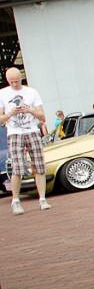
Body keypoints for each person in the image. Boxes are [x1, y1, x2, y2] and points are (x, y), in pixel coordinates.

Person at [0, 67, 51, 214]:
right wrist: (10, 113)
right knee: (17, 168)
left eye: (17, 81)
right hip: (14, 133)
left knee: (39, 166)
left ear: (21, 78)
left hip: (32, 131)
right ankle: (15, 201)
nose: (15, 84)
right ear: (7, 80)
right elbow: (1, 119)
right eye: (11, 82)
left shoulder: (32, 92)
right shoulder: (2, 93)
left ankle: (42, 199)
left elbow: (42, 117)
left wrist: (30, 110)